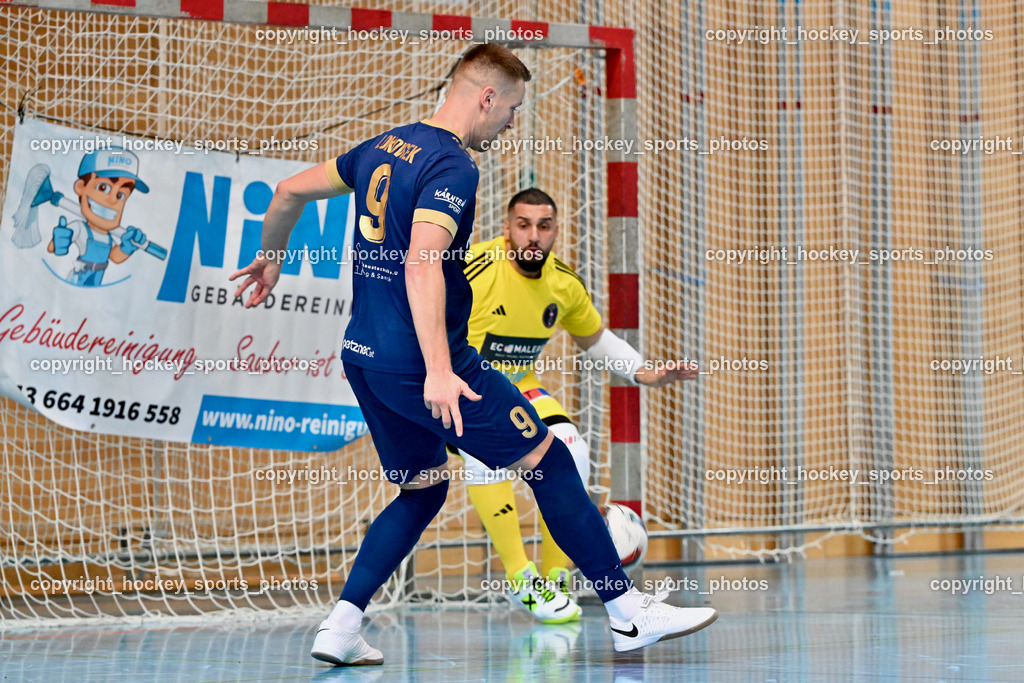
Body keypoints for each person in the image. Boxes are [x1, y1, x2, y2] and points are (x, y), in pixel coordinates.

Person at [231, 43, 716, 667]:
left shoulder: (382, 146)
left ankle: (341, 626)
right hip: (427, 364)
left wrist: (272, 255)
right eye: (511, 109)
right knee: (551, 458)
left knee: (423, 489)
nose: (511, 122)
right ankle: (628, 614)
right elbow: (423, 263)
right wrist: (438, 369)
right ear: (486, 97)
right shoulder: (452, 166)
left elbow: (288, 190)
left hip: (364, 358)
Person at [454, 188, 699, 623]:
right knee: (483, 456)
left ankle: (556, 576)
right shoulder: (474, 267)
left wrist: (643, 372)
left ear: (555, 232)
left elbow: (594, 338)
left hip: (517, 385)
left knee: (570, 449)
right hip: (462, 385)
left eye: (544, 227)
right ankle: (519, 578)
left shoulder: (563, 283)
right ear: (507, 229)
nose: (534, 236)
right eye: (524, 225)